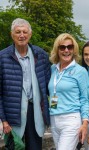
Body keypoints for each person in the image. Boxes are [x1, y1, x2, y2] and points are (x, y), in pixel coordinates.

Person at [0, 18, 51, 150]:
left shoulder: (41, 55)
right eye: (18, 32)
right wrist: (4, 120)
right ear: (12, 35)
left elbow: (50, 88)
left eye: (24, 32)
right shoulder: (2, 57)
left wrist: (51, 112)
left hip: (36, 113)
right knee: (14, 147)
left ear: (30, 34)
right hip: (13, 115)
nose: (21, 35)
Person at [48, 33, 89, 150]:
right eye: (62, 47)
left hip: (71, 119)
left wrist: (85, 123)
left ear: (74, 49)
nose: (66, 50)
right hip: (54, 119)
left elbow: (84, 98)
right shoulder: (53, 69)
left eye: (69, 47)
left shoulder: (80, 71)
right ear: (57, 50)